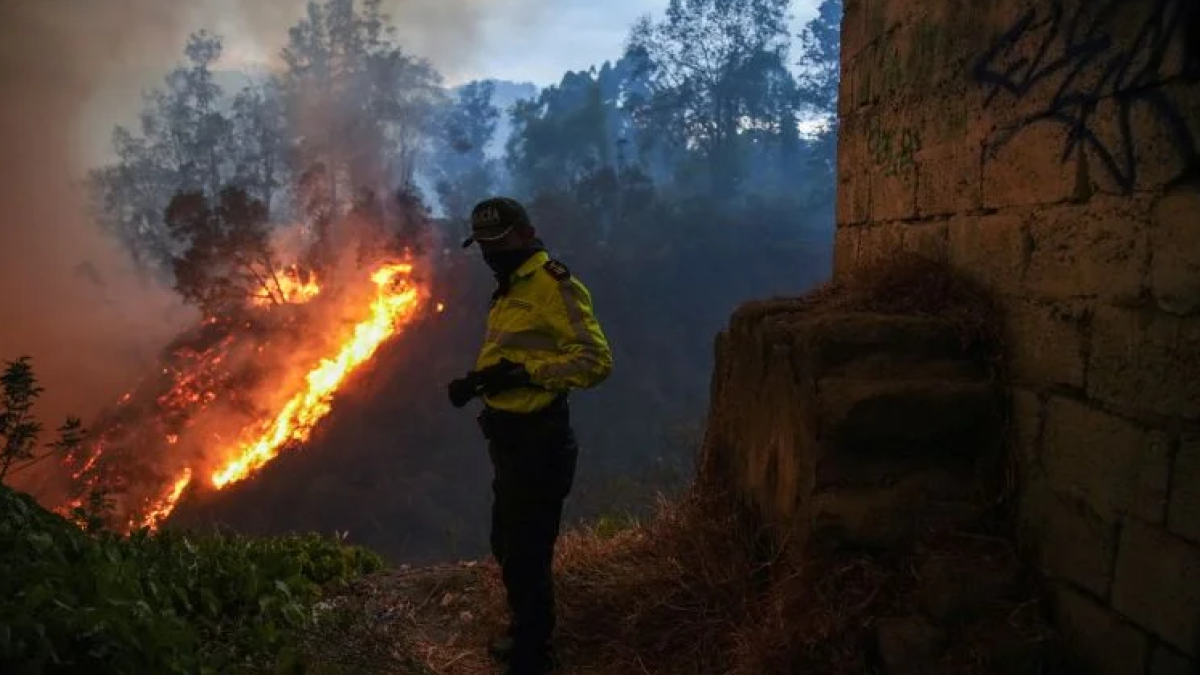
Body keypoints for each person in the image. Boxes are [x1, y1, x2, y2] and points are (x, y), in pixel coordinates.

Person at [447, 196, 613, 674]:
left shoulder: (553, 286)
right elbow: (509, 353)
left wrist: (525, 375)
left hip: (540, 440)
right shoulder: (508, 287)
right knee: (506, 542)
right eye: (483, 245)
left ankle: (534, 651)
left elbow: (595, 361)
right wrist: (476, 383)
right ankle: (527, 629)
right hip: (508, 440)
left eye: (499, 243)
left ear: (526, 233)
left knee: (525, 549)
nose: (491, 253)